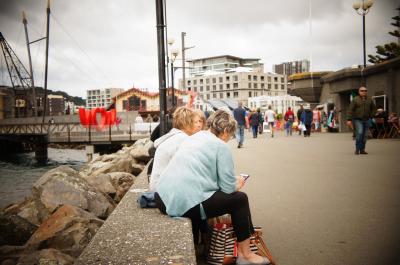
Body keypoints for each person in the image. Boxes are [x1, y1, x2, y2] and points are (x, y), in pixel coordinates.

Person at [155, 110, 270, 265]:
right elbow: (228, 188)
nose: (229, 138)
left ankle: (236, 249)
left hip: (162, 196)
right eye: (230, 135)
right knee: (240, 200)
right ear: (224, 131)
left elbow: (200, 172)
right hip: (181, 203)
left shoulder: (195, 137)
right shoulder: (220, 146)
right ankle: (246, 255)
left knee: (226, 198)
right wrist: (238, 182)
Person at [149, 107, 204, 191]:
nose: (197, 125)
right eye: (194, 122)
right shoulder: (185, 140)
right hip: (167, 193)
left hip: (157, 189)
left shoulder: (173, 137)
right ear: (187, 123)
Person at [346, 86, 376, 155]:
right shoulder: (355, 99)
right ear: (359, 92)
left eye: (365, 90)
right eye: (362, 91)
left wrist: (371, 116)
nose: (364, 92)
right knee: (359, 133)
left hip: (367, 119)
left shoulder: (370, 99)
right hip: (357, 119)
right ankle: (357, 149)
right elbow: (350, 110)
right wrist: (349, 119)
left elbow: (374, 109)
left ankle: (362, 150)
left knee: (365, 135)